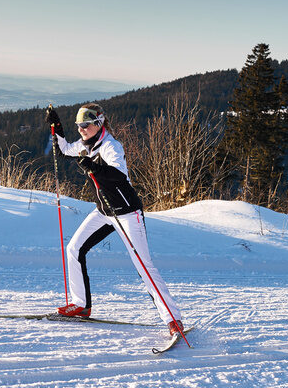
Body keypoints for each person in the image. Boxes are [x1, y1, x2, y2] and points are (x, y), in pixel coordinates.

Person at [45, 103, 184, 335]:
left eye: (86, 125)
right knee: (74, 248)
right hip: (104, 211)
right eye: (78, 125)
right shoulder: (85, 145)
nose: (81, 129)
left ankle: (173, 320)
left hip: (128, 213)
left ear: (99, 124)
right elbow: (64, 149)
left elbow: (119, 176)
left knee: (143, 266)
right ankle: (81, 305)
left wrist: (95, 167)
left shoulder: (111, 146)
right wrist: (56, 125)